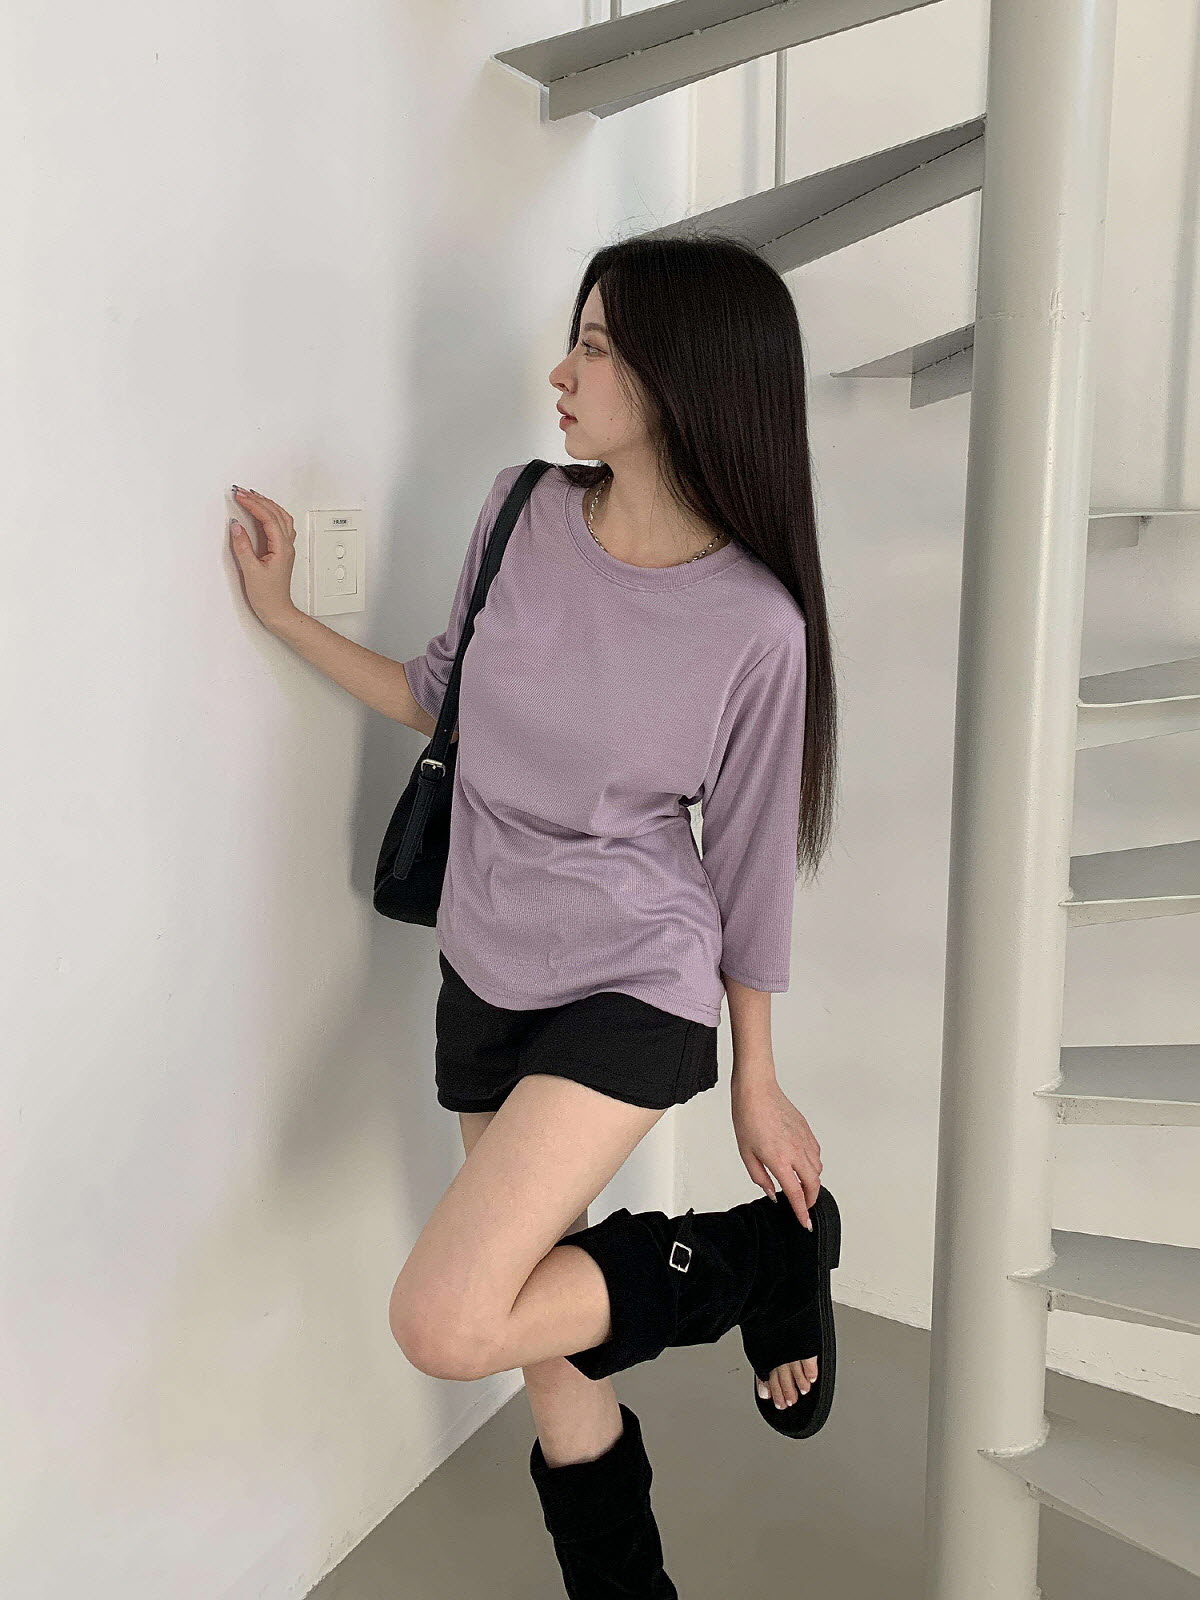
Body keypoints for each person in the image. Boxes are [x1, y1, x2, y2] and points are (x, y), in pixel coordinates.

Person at [228, 231, 841, 1599]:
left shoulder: (757, 629)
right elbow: (439, 695)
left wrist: (758, 1078)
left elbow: (748, 864)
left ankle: (754, 1262)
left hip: (635, 972)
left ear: (683, 380)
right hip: (487, 959)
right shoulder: (519, 511)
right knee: (540, 1344)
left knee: (446, 1321)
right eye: (578, 337)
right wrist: (282, 618)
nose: (562, 372)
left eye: (599, 348)